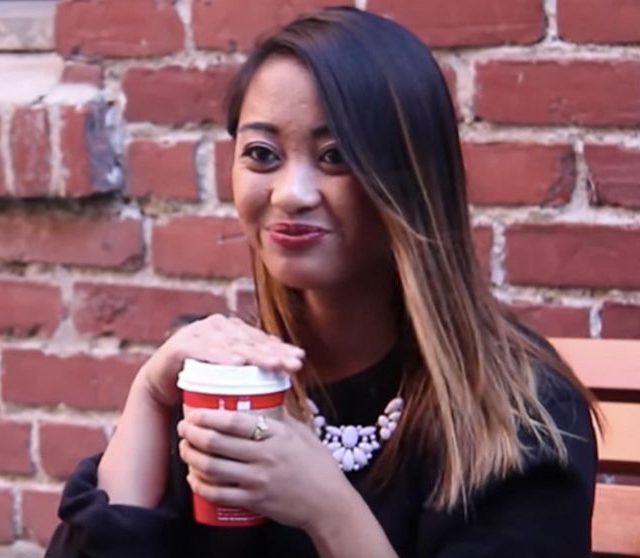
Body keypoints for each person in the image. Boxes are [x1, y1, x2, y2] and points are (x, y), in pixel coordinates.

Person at [45, 7, 599, 558]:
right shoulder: (228, 388)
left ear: (411, 178)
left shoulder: (520, 412)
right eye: (262, 155)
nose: (290, 193)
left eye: (335, 156)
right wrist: (149, 396)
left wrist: (325, 507)